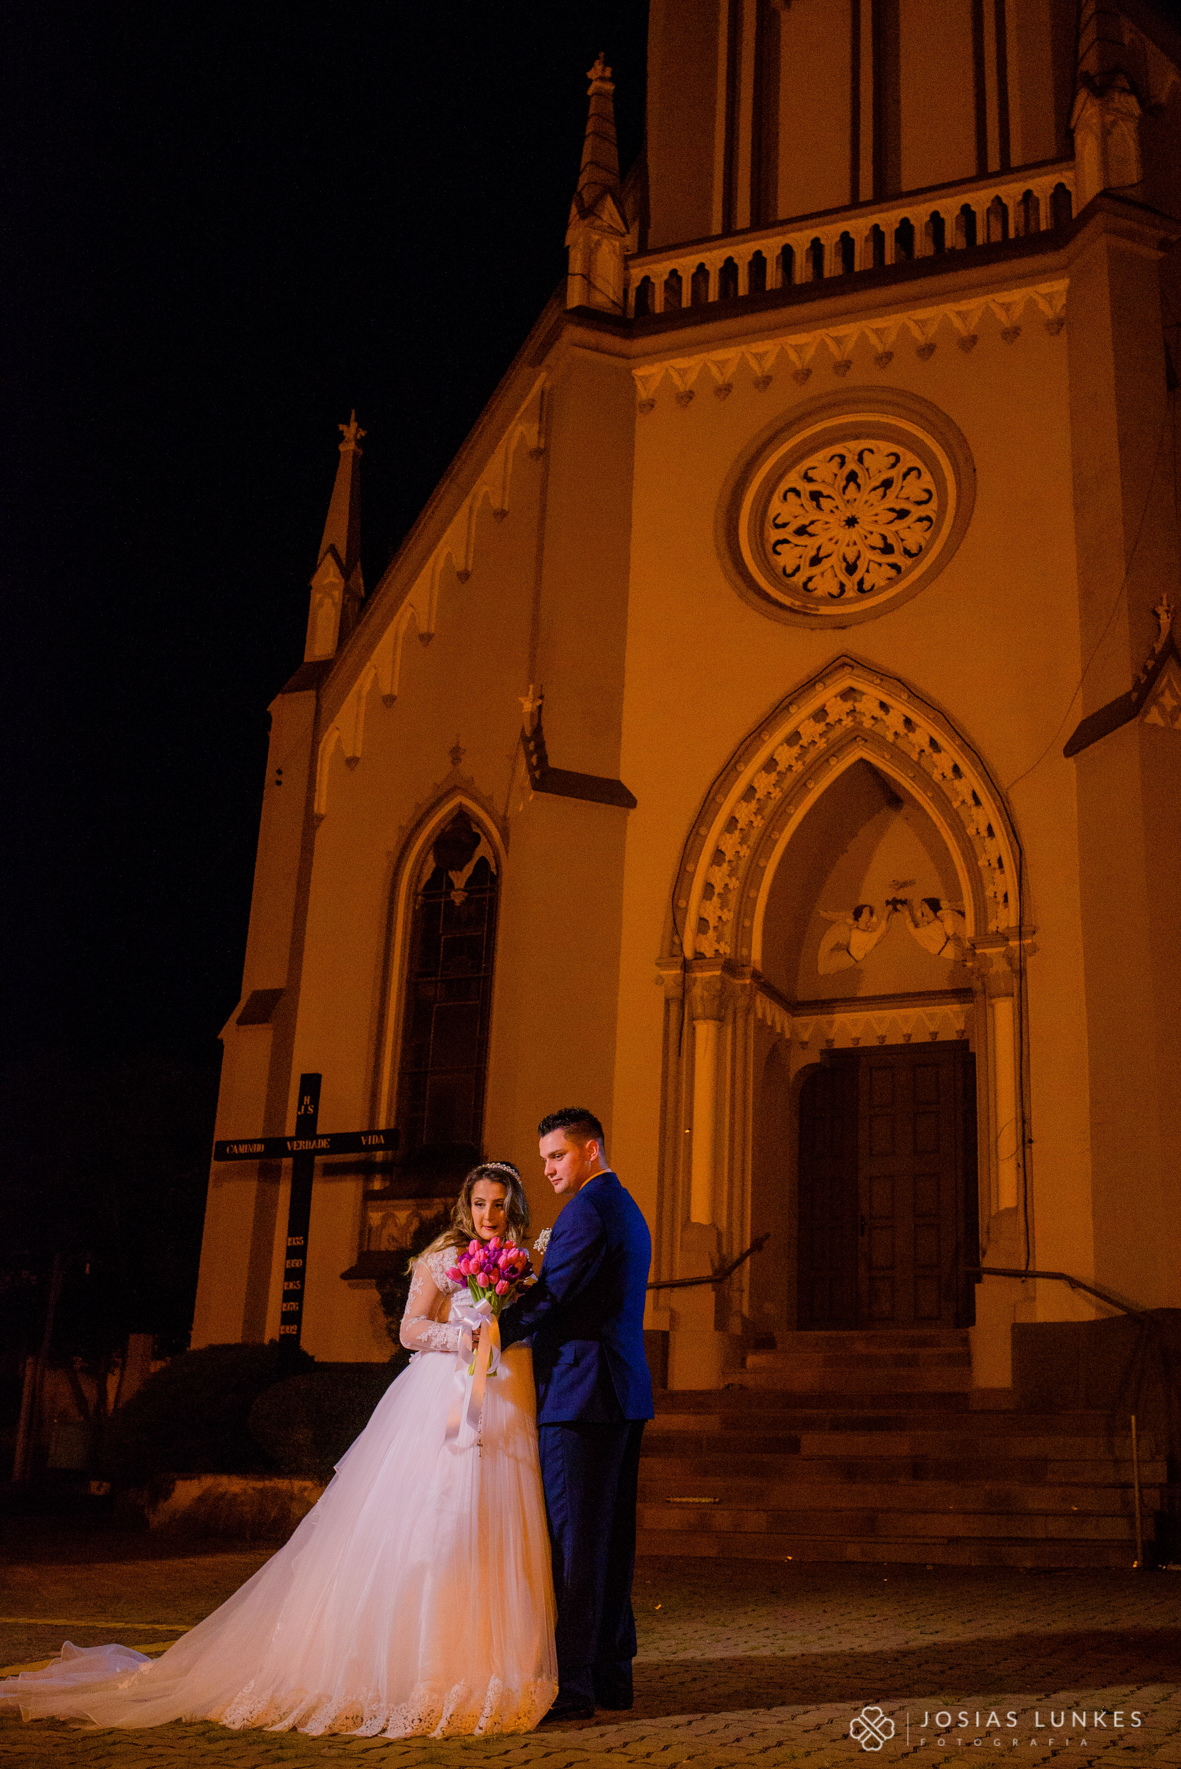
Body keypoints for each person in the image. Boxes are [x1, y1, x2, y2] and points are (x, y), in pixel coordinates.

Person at [0, 1162, 557, 1740]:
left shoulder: (518, 1262)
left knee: (491, 1530)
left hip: (500, 1396)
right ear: (467, 1207)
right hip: (441, 1400)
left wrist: (498, 1317)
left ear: (513, 1209)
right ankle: (419, 1668)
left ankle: (485, 1664)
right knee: (434, 1530)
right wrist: (460, 1334)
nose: (489, 1216)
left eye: (500, 1206)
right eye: (481, 1204)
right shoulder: (444, 1256)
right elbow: (411, 1329)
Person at [498, 1107, 653, 1724]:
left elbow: (553, 1297)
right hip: (620, 1392)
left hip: (581, 1397)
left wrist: (489, 1332)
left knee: (576, 1545)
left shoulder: (587, 1211)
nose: (548, 1170)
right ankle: (613, 1675)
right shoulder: (625, 1206)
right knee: (611, 1540)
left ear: (591, 1150)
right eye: (543, 1160)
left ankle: (575, 1686)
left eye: (557, 1157)